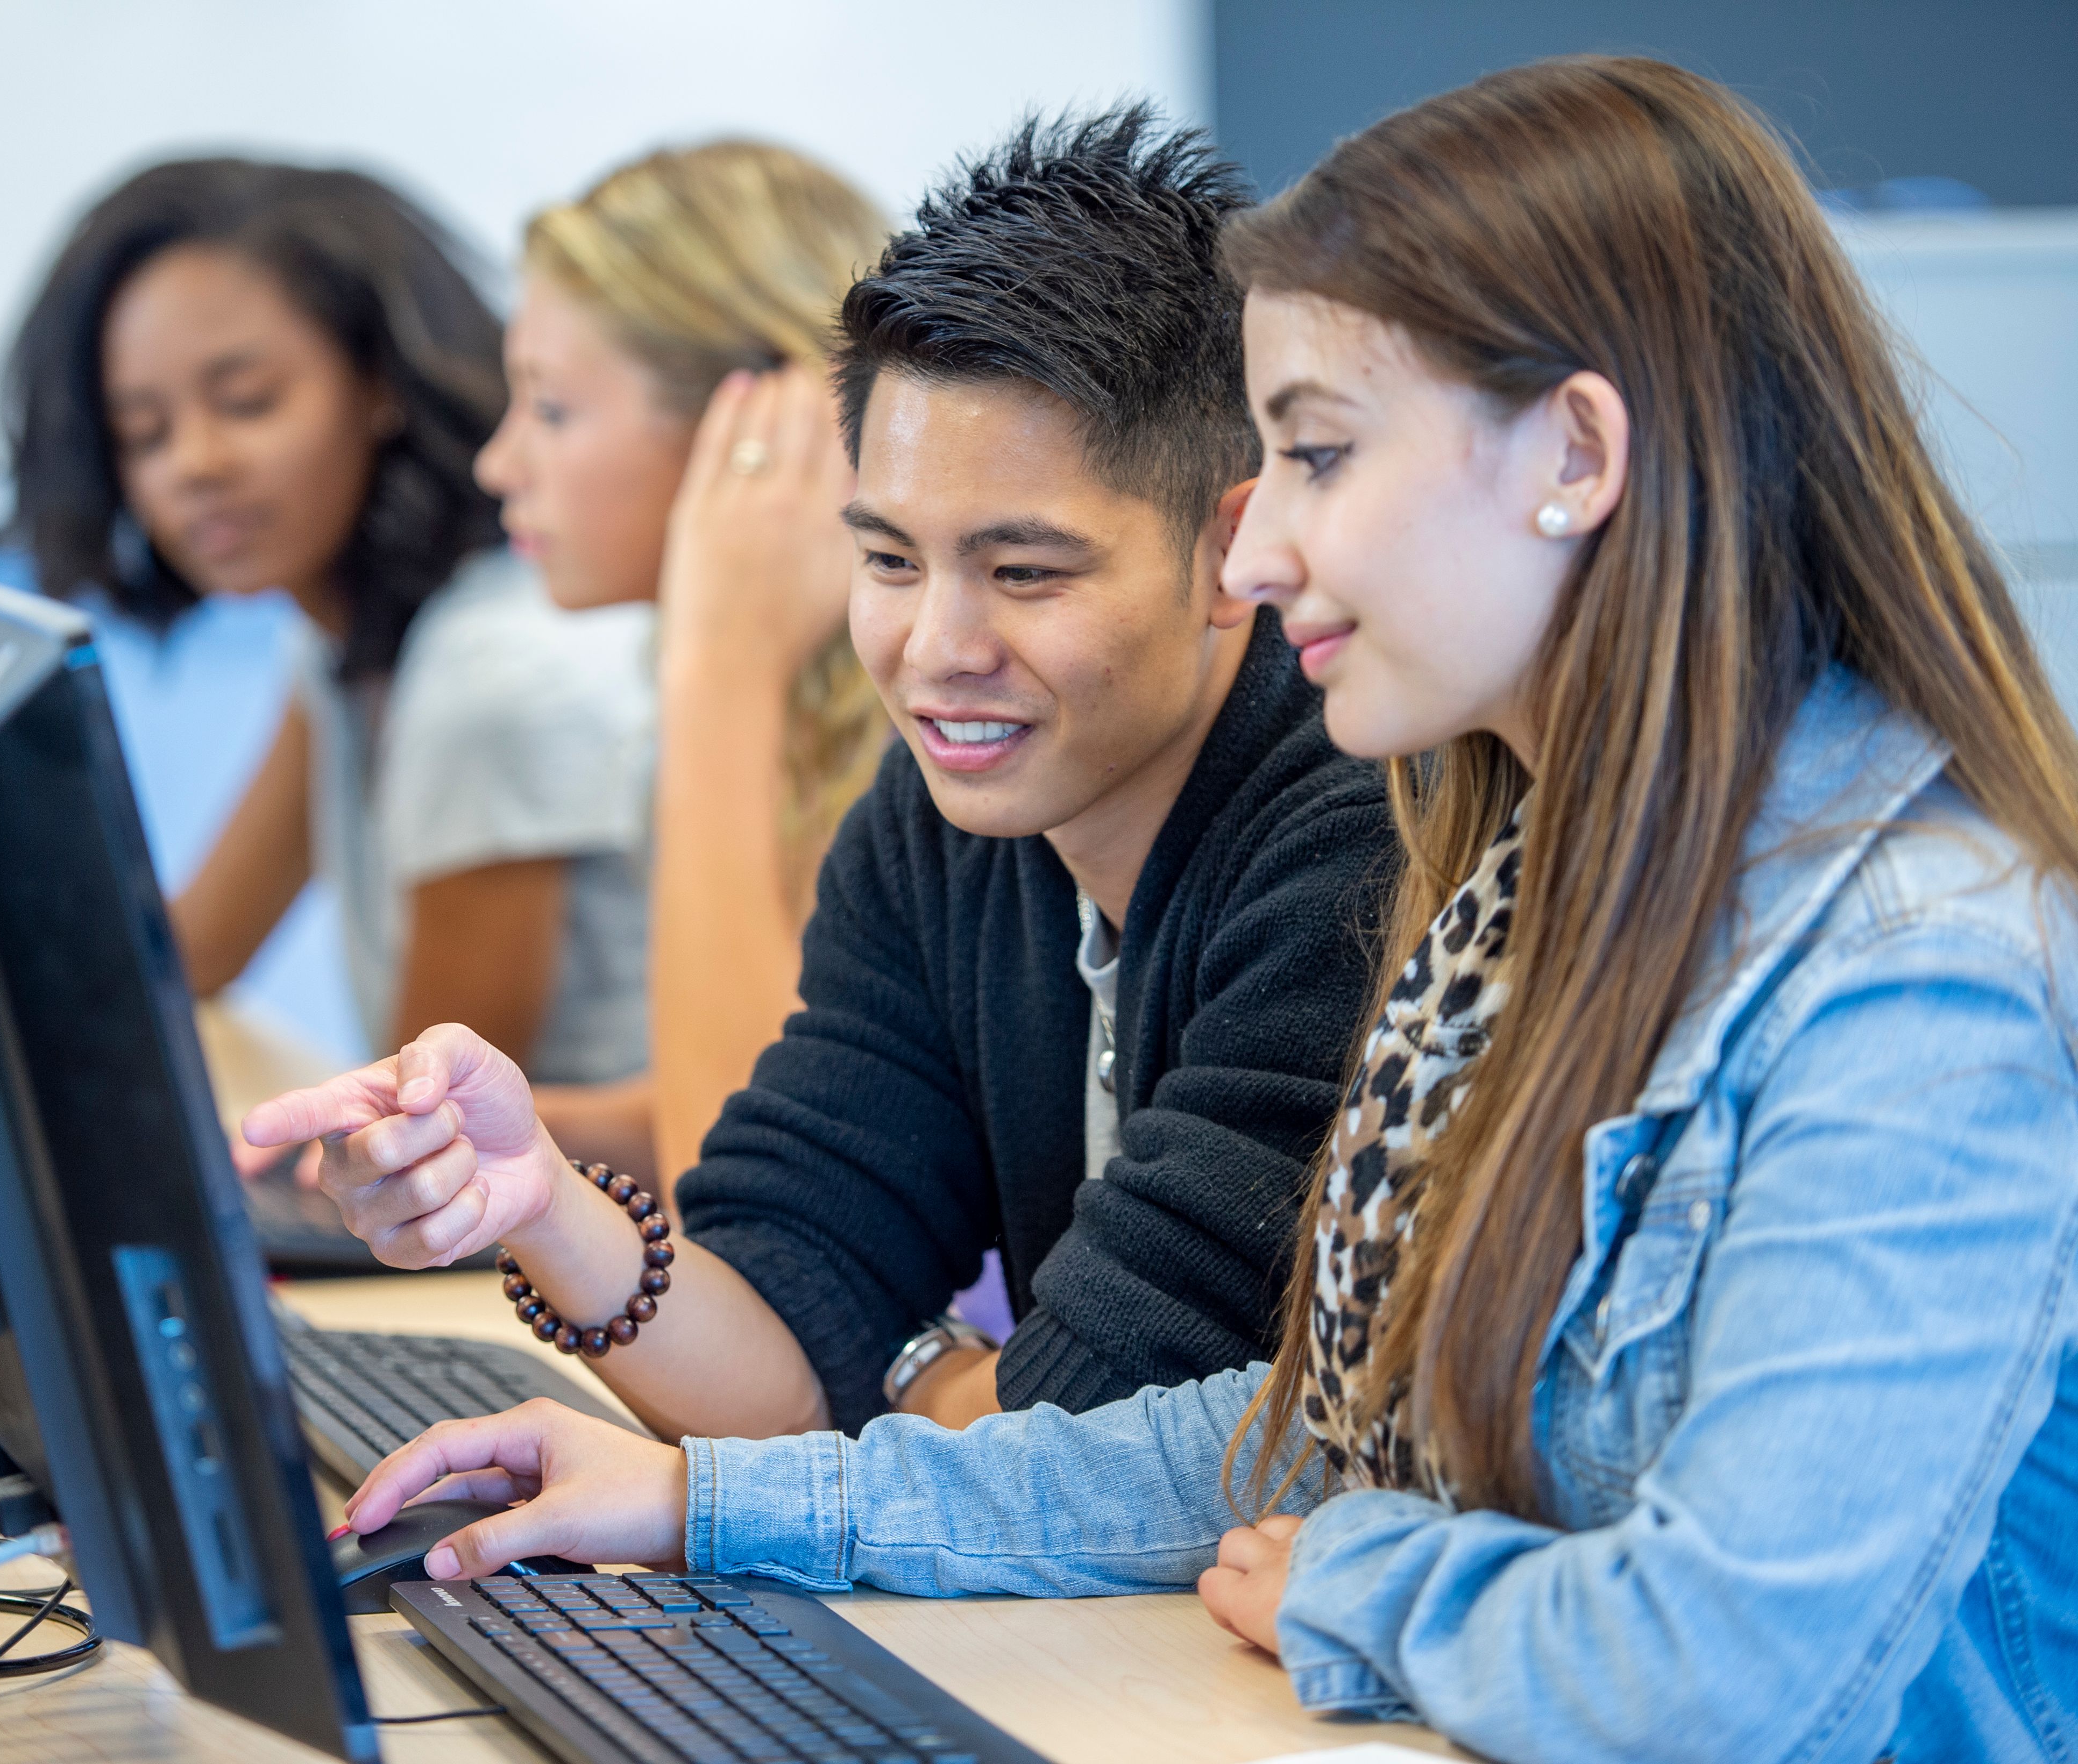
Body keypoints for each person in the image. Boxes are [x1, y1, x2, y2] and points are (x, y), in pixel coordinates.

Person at [322, 58, 2078, 1760]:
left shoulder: (1911, 990)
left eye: (1314, 457)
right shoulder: (1540, 899)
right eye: (888, 556)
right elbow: (1311, 1441)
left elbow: (1706, 1675)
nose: (1250, 556)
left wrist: (1366, 1582)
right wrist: (712, 1502)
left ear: (1572, 456)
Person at [245, 110, 1399, 1440]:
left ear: (1229, 551)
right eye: (891, 561)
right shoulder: (938, 824)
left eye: (1024, 571)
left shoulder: (1351, 845)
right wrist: (539, 1202)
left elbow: (1093, 1432)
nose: (935, 651)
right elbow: (783, 1325)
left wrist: (895, 1372)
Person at [3, 158, 656, 1096]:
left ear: (379, 380)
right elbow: (191, 956)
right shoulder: (341, 642)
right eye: (144, 432)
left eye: (247, 402)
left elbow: (424, 1123)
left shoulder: (490, 678)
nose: (194, 463)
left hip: (608, 1235)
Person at [475, 141, 895, 1178]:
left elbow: (750, 1176)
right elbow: (770, 1072)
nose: (499, 461)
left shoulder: (920, 731)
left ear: (756, 423)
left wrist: (721, 666)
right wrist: (482, 1129)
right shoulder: (812, 712)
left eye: (552, 408)